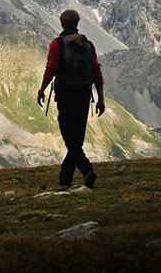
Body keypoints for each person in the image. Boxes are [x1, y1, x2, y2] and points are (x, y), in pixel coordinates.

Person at [37, 10, 105, 190]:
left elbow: (51, 68)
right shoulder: (88, 45)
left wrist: (42, 90)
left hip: (65, 95)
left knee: (69, 139)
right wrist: (101, 99)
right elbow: (96, 71)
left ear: (61, 24)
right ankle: (65, 180)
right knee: (77, 140)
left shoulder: (57, 44)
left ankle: (87, 170)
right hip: (84, 95)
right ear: (77, 23)